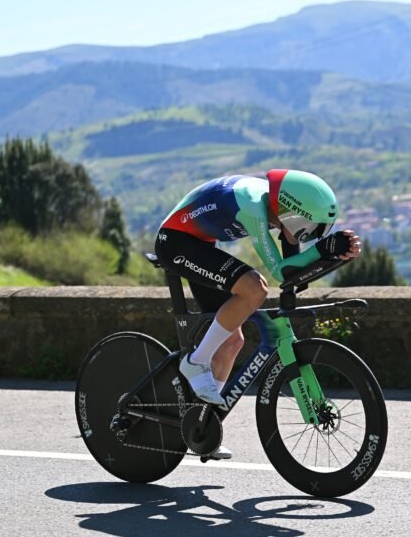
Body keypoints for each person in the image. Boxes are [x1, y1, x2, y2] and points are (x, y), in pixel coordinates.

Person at [155, 169, 361, 458]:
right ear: (291, 212)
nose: (309, 236)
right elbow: (279, 271)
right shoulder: (253, 205)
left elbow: (295, 272)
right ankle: (196, 361)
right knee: (254, 287)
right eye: (308, 228)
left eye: (316, 232)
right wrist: (324, 249)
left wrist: (334, 253)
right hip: (176, 242)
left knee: (231, 342)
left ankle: (201, 427)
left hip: (200, 244)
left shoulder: (278, 211)